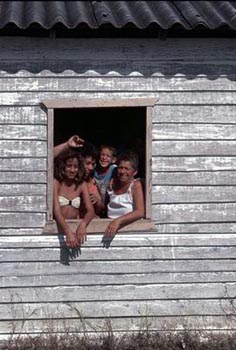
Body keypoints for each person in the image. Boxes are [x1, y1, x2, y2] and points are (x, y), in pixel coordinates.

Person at [54, 136, 104, 217]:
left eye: (93, 164)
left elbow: (101, 207)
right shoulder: (59, 181)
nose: (91, 168)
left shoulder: (90, 182)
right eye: (87, 163)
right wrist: (67, 145)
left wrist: (97, 201)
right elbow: (45, 158)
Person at [53, 150, 94, 248]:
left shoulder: (81, 184)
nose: (72, 170)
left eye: (75, 167)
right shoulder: (56, 183)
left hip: (75, 227)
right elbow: (56, 211)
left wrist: (83, 224)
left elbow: (90, 210)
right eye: (69, 166)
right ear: (63, 166)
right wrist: (68, 231)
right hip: (59, 229)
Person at [104, 151, 145, 237]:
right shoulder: (112, 184)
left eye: (127, 169)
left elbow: (140, 212)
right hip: (108, 233)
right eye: (120, 167)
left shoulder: (135, 185)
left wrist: (118, 221)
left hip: (129, 233)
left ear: (135, 172)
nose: (122, 171)